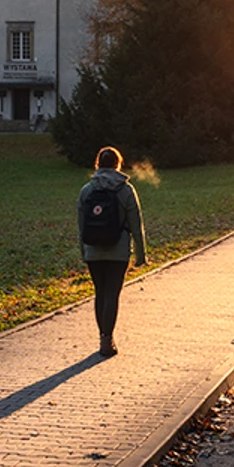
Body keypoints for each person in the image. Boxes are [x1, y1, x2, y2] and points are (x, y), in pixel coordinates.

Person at [77, 146, 147, 356]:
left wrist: (84, 252)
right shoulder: (126, 190)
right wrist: (141, 254)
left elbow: (81, 226)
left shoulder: (87, 190)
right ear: (118, 164)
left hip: (93, 251)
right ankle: (107, 340)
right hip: (118, 251)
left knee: (100, 292)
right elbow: (136, 224)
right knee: (112, 294)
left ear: (98, 164)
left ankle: (103, 337)